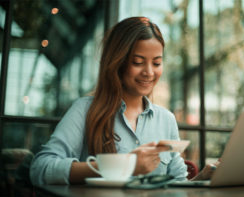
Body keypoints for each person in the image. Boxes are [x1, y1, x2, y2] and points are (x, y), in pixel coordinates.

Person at [30, 16, 216, 186]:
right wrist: (122, 166)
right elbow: (41, 168)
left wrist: (204, 178)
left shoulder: (166, 119)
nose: (149, 72)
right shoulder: (85, 110)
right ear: (117, 62)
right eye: (137, 62)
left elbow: (178, 186)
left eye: (157, 63)